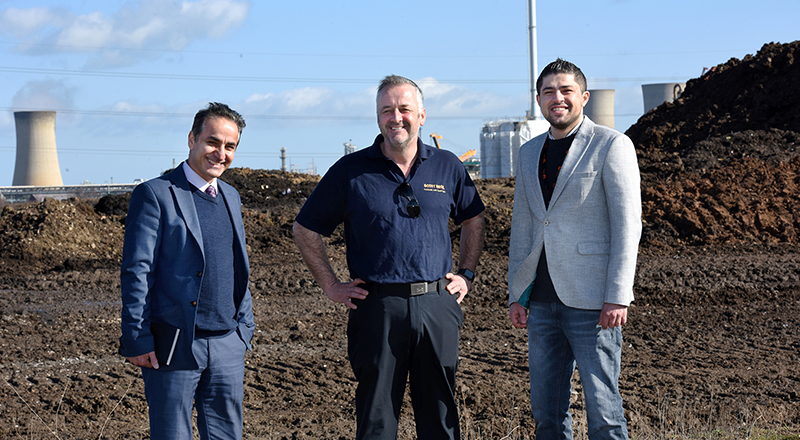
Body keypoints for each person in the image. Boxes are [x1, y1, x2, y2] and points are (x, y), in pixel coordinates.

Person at [292, 75, 485, 440]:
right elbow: (304, 229)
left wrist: (467, 273)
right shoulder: (351, 172)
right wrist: (331, 285)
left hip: (436, 304)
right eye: (386, 110)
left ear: (422, 115)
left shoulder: (447, 166)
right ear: (377, 118)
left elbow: (474, 217)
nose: (396, 117)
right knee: (376, 419)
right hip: (377, 309)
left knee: (441, 416)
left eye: (404, 109)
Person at [507, 59, 642, 440]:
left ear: (583, 96)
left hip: (593, 302)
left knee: (604, 412)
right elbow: (525, 226)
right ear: (538, 100)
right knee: (546, 413)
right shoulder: (529, 152)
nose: (557, 98)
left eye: (566, 90)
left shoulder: (612, 144)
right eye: (548, 91)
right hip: (542, 305)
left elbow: (627, 226)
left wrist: (617, 295)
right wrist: (518, 292)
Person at [119, 102, 254, 440]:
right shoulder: (155, 194)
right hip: (175, 345)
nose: (220, 153)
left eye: (230, 146)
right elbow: (138, 271)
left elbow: (238, 265)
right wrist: (136, 337)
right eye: (212, 142)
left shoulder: (232, 197)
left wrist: (243, 332)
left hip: (227, 345)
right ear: (192, 138)